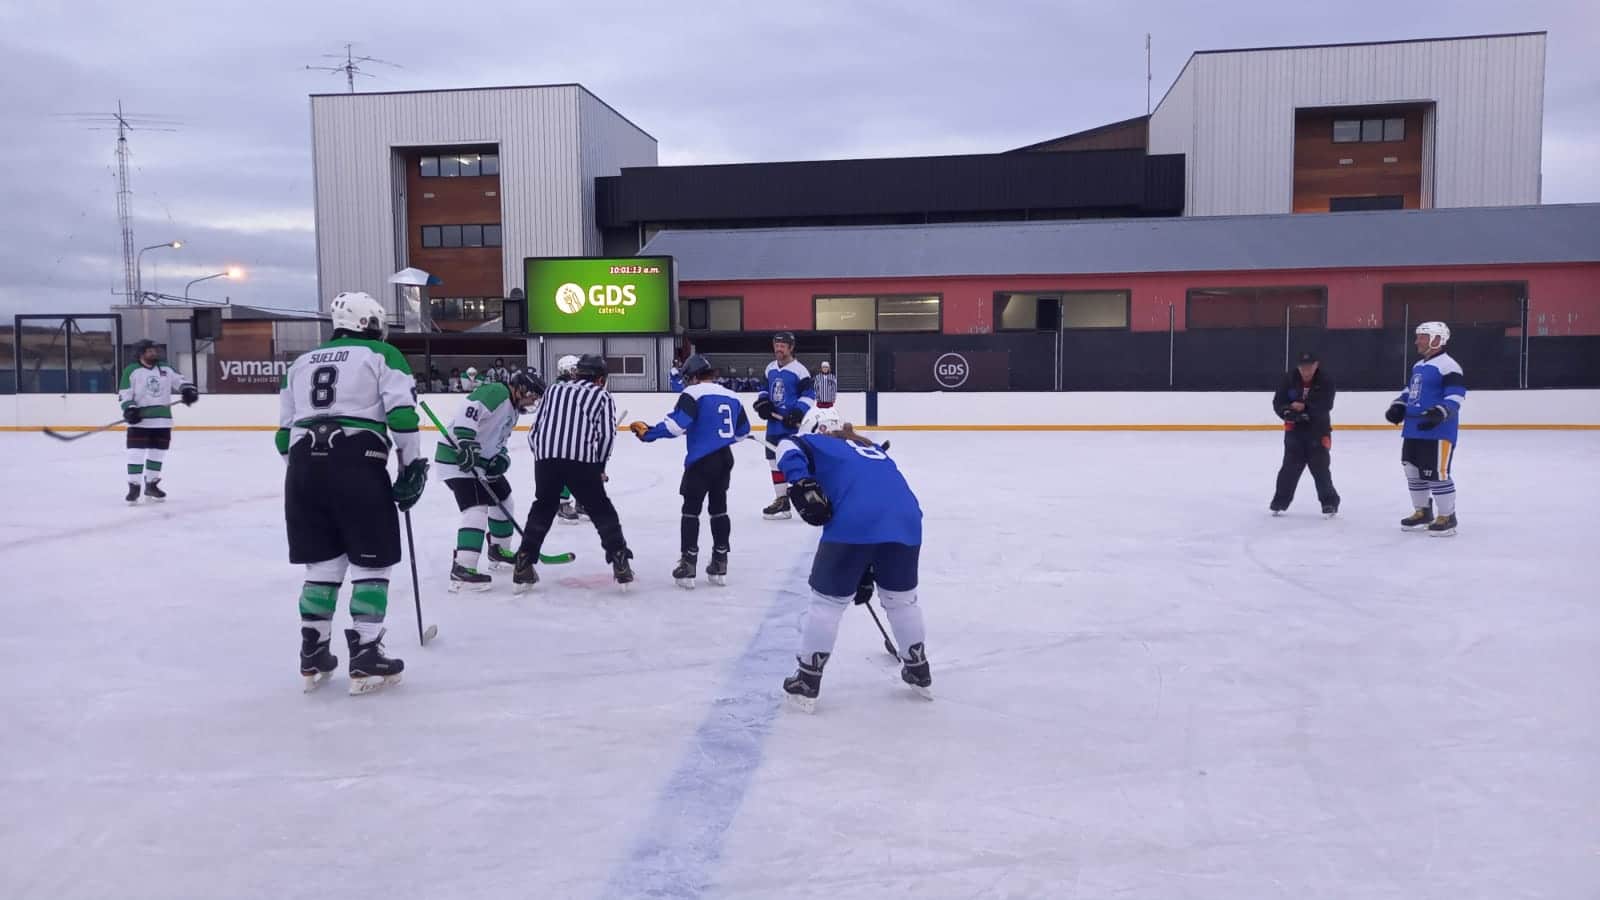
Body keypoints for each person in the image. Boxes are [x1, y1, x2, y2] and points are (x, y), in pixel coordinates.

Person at [276, 291, 428, 694]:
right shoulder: (381, 355)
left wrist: (308, 473)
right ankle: (365, 651)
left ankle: (314, 652)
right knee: (371, 562)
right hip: (357, 461)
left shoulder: (299, 362)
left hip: (303, 468)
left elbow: (281, 435)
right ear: (369, 323)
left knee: (323, 567)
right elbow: (401, 417)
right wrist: (411, 466)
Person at [774, 407, 929, 711]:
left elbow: (787, 447)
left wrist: (802, 481)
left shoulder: (817, 442)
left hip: (855, 523)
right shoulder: (872, 448)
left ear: (818, 429)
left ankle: (807, 678)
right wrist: (866, 570)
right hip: (907, 521)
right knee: (902, 600)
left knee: (827, 603)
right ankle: (918, 667)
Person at [628, 354, 751, 588]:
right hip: (724, 459)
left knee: (691, 511)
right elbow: (742, 432)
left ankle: (688, 563)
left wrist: (649, 433)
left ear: (693, 377)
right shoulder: (732, 396)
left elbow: (675, 426)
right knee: (719, 510)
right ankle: (720, 560)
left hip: (701, 461)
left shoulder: (692, 394)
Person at [512, 354, 634, 590]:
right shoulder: (601, 395)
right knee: (600, 509)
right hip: (581, 460)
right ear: (600, 378)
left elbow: (535, 431)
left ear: (577, 374)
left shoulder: (553, 391)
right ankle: (619, 560)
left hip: (546, 458)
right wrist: (599, 466)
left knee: (543, 507)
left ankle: (524, 561)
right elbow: (607, 436)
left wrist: (542, 456)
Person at [436, 370, 545, 591]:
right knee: (475, 509)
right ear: (521, 388)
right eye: (533, 395)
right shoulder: (497, 392)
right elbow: (469, 410)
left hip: (481, 463)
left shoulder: (513, 410)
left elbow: (499, 440)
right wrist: (466, 441)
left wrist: (501, 457)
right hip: (457, 459)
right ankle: (462, 569)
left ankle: (498, 550)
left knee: (504, 500)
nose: (534, 400)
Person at [1385, 321, 1467, 536]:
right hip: (1413, 428)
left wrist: (1439, 412)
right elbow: (1409, 391)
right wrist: (1398, 406)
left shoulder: (1449, 366)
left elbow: (1456, 395)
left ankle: (1447, 516)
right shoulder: (1418, 366)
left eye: (1422, 337)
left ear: (1437, 339)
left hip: (1438, 430)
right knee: (1413, 470)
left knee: (1436, 473)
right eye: (1418, 336)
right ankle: (1422, 512)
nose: (1417, 341)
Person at [118, 339, 198, 503]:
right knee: (135, 454)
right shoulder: (131, 371)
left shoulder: (165, 368)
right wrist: (130, 409)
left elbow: (180, 381)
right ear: (141, 353)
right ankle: (134, 487)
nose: (154, 353)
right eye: (150, 351)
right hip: (140, 421)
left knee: (157, 453)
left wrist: (188, 390)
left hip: (162, 420)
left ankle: (151, 485)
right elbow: (124, 394)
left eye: (155, 350)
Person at [753, 331, 816, 518]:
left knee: (794, 462)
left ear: (791, 348)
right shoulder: (770, 368)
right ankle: (782, 501)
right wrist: (763, 403)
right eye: (776, 345)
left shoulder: (800, 370)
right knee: (773, 462)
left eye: (782, 346)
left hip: (791, 427)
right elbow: (764, 390)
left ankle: (811, 499)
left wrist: (797, 412)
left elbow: (809, 395)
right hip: (773, 426)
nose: (778, 349)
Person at [1269, 351, 1340, 516]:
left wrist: (1305, 409)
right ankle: (1280, 502)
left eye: (1309, 366)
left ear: (1316, 365)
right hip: (1294, 431)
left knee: (1320, 468)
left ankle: (1330, 503)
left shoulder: (1326, 381)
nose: (1306, 370)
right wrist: (1286, 412)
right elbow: (1278, 401)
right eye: (1302, 367)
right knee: (1289, 468)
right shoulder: (1289, 379)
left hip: (1319, 431)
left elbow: (1326, 404)